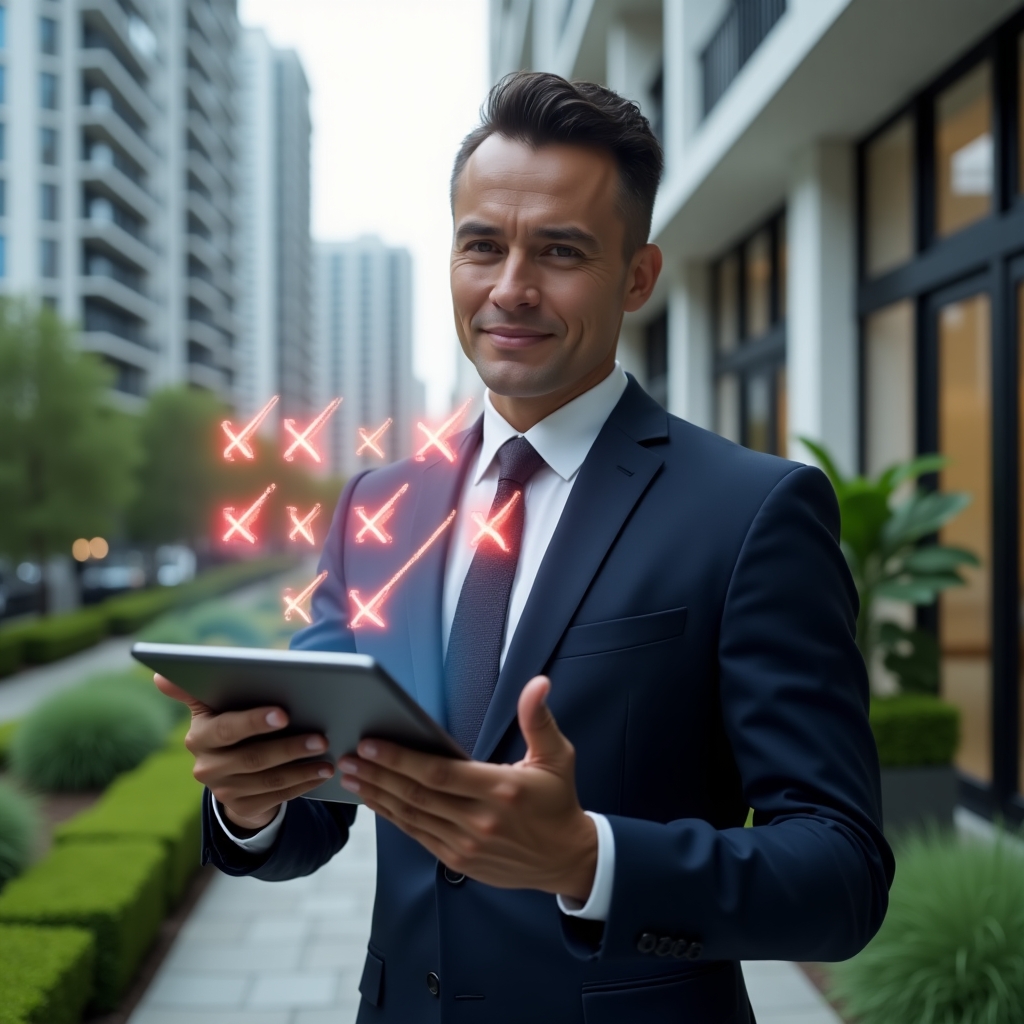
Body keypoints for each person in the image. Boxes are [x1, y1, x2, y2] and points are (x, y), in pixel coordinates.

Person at [158, 71, 894, 1022]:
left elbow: (841, 871)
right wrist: (252, 802)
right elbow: (316, 809)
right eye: (482, 246)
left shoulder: (754, 511)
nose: (511, 288)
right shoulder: (377, 508)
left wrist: (591, 860)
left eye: (560, 250)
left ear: (638, 276)